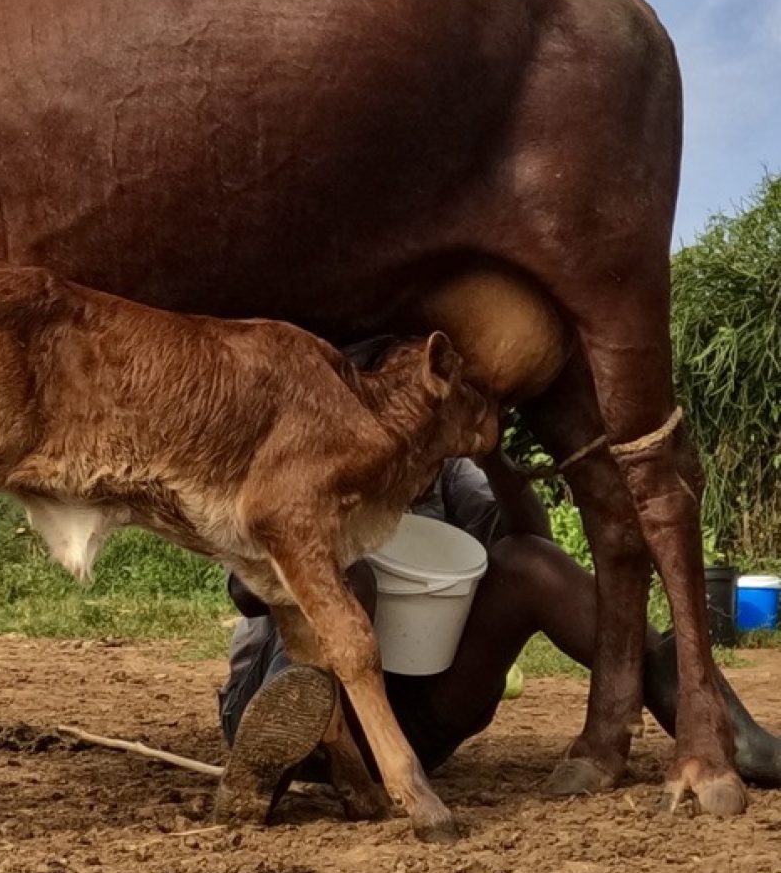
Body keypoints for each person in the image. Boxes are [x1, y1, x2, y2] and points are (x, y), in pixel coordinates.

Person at [218, 340, 781, 814]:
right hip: (297, 698)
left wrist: (490, 455)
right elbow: (246, 594)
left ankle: (711, 720)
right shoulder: (303, 460)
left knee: (529, 564)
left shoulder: (444, 467)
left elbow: (533, 537)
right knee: (351, 578)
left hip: (412, 718)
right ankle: (275, 740)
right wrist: (317, 545)